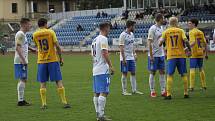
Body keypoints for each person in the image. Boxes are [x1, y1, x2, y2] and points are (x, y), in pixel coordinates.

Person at [33, 18, 70, 109]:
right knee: (58, 81)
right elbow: (57, 46)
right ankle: (64, 102)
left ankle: (44, 104)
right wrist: (61, 58)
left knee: (43, 83)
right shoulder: (51, 32)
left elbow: (37, 46)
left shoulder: (35, 34)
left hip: (41, 61)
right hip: (52, 60)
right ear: (45, 24)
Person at [159, 17, 192, 100]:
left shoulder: (166, 31)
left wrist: (164, 44)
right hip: (181, 56)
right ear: (177, 23)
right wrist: (189, 50)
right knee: (183, 74)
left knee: (170, 75)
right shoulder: (181, 31)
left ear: (169, 23)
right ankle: (186, 93)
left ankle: (169, 94)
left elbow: (160, 43)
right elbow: (186, 41)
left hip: (171, 56)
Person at [91, 22, 114, 121]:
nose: (109, 30)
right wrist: (111, 66)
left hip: (95, 68)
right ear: (105, 28)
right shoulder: (103, 38)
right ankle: (101, 115)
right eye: (109, 28)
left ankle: (98, 114)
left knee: (97, 92)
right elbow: (105, 52)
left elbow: (91, 55)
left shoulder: (94, 40)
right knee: (104, 91)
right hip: (102, 69)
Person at [14, 18, 36, 106]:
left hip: (22, 60)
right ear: (24, 24)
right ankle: (20, 101)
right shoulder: (20, 34)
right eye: (29, 24)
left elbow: (23, 45)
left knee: (23, 79)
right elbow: (17, 47)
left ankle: (21, 100)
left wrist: (31, 49)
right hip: (20, 61)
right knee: (23, 79)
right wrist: (23, 60)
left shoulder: (23, 34)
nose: (30, 26)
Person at [119, 20, 143, 96]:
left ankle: (134, 90)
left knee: (133, 73)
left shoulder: (132, 34)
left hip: (131, 57)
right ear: (130, 26)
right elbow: (121, 47)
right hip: (125, 57)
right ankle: (124, 91)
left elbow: (132, 45)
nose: (134, 27)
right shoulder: (122, 35)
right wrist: (123, 58)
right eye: (133, 26)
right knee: (125, 73)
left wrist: (134, 53)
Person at [147, 13, 166, 97]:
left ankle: (163, 90)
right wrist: (151, 55)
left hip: (161, 54)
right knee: (153, 72)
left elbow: (162, 41)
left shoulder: (162, 28)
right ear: (159, 19)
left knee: (162, 72)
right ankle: (152, 91)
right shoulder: (152, 28)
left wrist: (164, 52)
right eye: (163, 18)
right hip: (154, 55)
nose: (164, 20)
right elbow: (149, 43)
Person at [188, 19, 208, 91]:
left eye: (190, 23)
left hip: (194, 53)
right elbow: (205, 43)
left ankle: (191, 86)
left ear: (194, 24)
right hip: (200, 53)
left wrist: (187, 48)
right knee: (201, 69)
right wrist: (206, 53)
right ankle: (204, 85)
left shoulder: (191, 32)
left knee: (192, 69)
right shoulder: (200, 32)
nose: (188, 25)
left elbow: (193, 42)